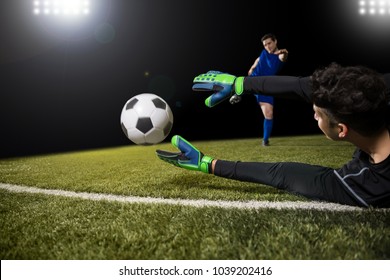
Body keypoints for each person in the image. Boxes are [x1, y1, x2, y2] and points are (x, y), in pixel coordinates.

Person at [156, 63, 390, 208]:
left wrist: (208, 164)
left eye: (318, 115)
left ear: (341, 129)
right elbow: (301, 87)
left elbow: (283, 174)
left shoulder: (370, 185)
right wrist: (240, 84)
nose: (314, 117)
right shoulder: (374, 93)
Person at [248, 33, 288, 146]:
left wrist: (284, 53)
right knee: (240, 86)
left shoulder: (279, 55)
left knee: (269, 114)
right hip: (253, 81)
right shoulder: (264, 52)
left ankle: (265, 140)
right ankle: (236, 94)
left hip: (265, 86)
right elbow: (258, 59)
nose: (267, 46)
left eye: (269, 43)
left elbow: (283, 57)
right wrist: (252, 68)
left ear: (275, 41)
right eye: (265, 45)